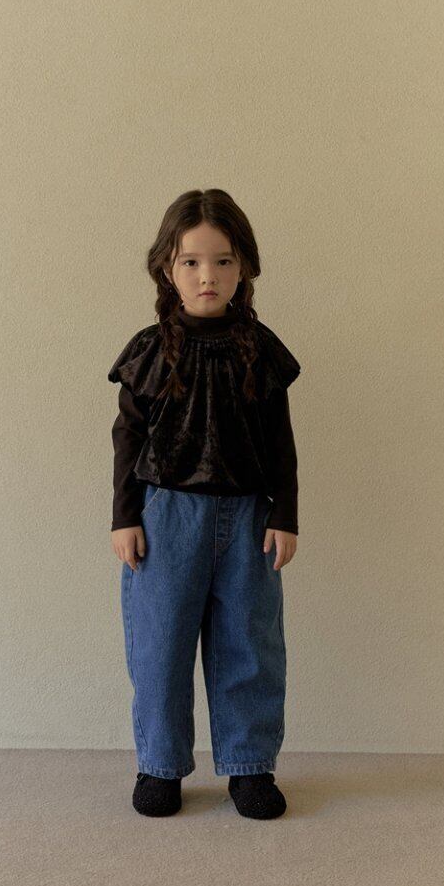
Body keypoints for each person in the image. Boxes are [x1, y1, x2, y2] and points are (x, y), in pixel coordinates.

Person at [108, 188, 300, 820]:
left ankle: (249, 766)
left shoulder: (260, 350)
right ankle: (160, 766)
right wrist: (125, 516)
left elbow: (280, 440)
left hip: (248, 518)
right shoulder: (150, 350)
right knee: (160, 645)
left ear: (243, 267)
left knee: (249, 643)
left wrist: (284, 513)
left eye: (222, 261)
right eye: (190, 262)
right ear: (168, 268)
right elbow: (128, 438)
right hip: (166, 517)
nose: (206, 276)